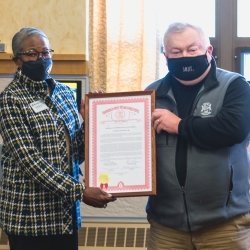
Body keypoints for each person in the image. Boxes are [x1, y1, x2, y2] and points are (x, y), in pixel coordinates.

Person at [0, 27, 116, 250]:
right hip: (29, 217)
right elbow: (30, 162)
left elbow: (76, 152)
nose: (41, 58)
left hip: (64, 215)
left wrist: (92, 121)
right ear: (17, 60)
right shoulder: (10, 100)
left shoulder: (64, 93)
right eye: (32, 53)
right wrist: (81, 192)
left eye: (45, 52)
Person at [145, 22, 250, 250]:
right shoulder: (150, 95)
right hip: (166, 227)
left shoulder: (235, 85)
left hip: (225, 226)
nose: (185, 56)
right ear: (165, 56)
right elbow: (129, 146)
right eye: (176, 52)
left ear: (208, 51)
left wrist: (180, 125)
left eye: (192, 50)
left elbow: (233, 128)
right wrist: (97, 119)